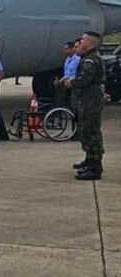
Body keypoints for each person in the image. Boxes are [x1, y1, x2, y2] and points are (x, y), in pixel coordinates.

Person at [66, 31, 106, 180]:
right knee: (86, 131)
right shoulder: (88, 58)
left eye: (83, 40)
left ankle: (95, 167)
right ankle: (90, 160)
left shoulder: (90, 60)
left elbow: (84, 81)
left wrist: (72, 82)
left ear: (90, 43)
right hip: (88, 101)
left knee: (91, 132)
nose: (80, 42)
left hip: (90, 101)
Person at [55, 40, 80, 108]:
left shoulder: (78, 59)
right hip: (66, 84)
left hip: (73, 84)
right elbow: (67, 74)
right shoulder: (67, 59)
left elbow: (77, 73)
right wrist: (60, 81)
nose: (64, 51)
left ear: (72, 49)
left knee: (74, 103)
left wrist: (70, 80)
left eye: (66, 49)